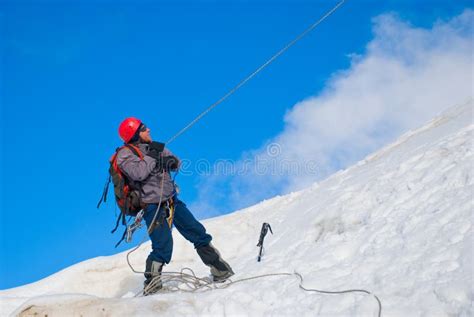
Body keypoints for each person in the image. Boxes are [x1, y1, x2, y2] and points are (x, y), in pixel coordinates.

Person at [116, 117, 234, 295]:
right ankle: (152, 285)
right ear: (135, 134)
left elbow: (176, 162)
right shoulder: (124, 154)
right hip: (152, 206)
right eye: (144, 128)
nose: (149, 129)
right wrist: (153, 155)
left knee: (197, 232)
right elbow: (139, 173)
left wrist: (170, 161)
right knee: (163, 245)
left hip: (172, 200)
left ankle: (220, 270)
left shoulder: (154, 146)